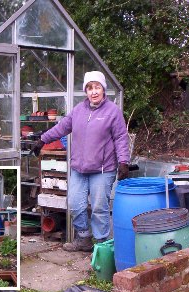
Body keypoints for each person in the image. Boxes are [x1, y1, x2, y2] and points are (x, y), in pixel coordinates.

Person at [31, 71, 130, 252]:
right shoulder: (78, 110)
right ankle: (83, 238)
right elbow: (62, 127)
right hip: (79, 168)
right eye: (90, 88)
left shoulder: (112, 112)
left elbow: (121, 138)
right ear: (86, 91)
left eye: (97, 87)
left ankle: (101, 245)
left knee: (99, 208)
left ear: (103, 89)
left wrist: (124, 161)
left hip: (103, 169)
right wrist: (43, 139)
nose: (94, 92)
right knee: (75, 204)